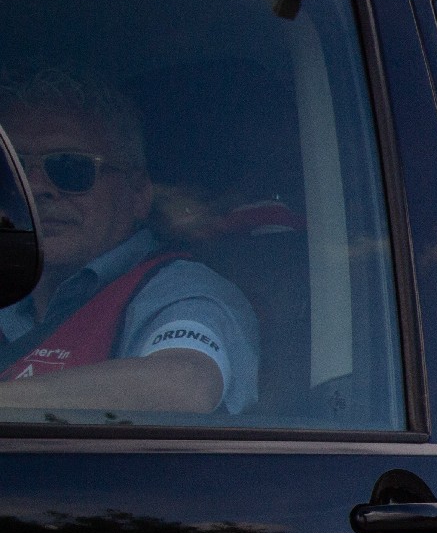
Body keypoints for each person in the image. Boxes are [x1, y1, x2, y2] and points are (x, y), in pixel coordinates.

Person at [0, 68, 257, 416]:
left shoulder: (178, 290)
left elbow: (183, 386)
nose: (35, 188)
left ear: (137, 193)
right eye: (13, 172)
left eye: (68, 168)